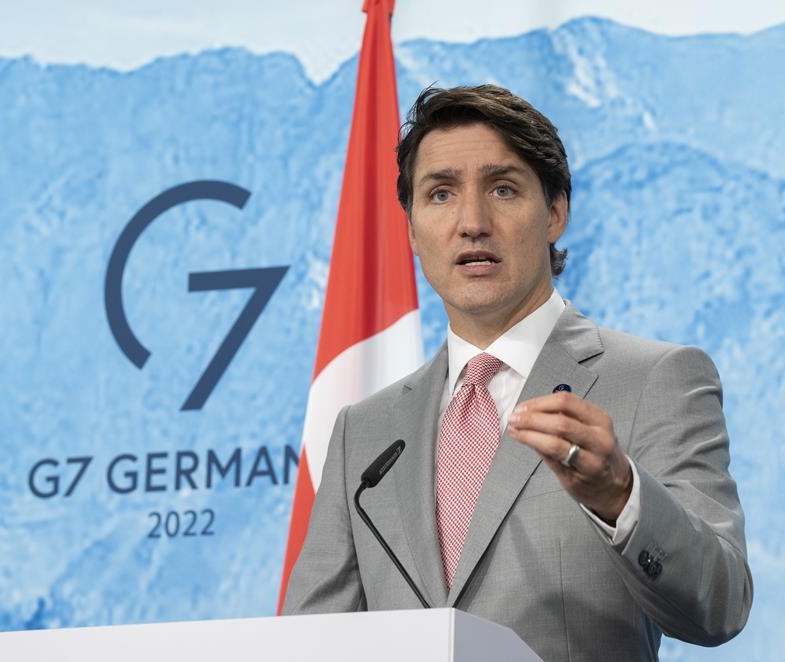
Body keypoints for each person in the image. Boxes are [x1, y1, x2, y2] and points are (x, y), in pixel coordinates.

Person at [282, 85, 752, 661]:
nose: (472, 222)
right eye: (441, 194)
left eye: (503, 190)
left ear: (555, 213)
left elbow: (721, 604)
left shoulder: (656, 379)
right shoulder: (366, 431)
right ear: (411, 230)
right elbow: (310, 643)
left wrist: (621, 496)